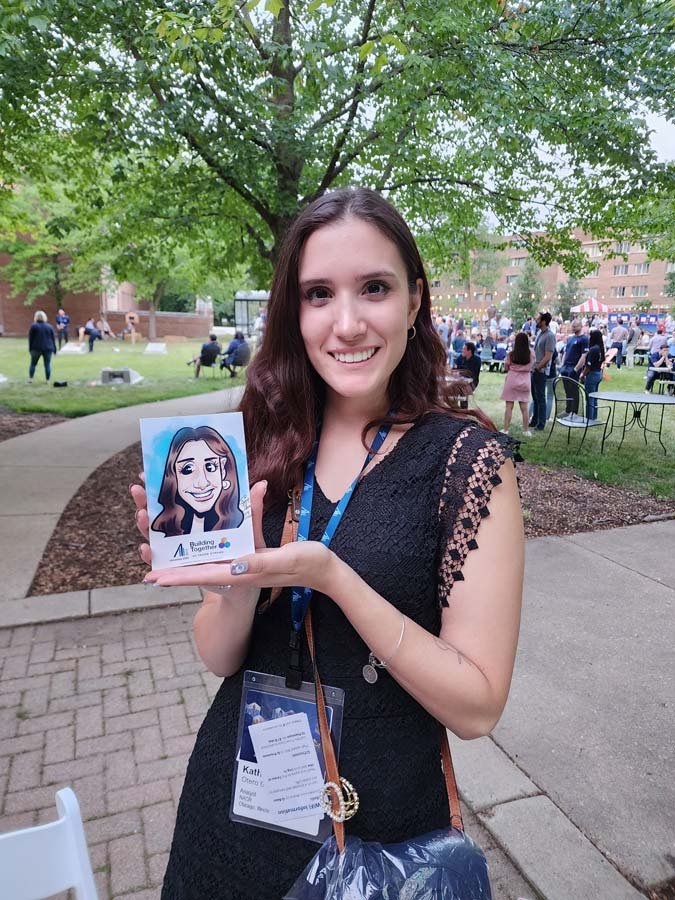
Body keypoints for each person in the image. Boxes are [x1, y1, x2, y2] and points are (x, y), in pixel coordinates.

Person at [131, 188, 523, 899]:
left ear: (413, 300)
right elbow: (219, 656)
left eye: (374, 288)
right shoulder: (260, 441)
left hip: (380, 837)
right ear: (294, 311)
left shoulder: (464, 464)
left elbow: (477, 707)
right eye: (318, 294)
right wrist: (230, 585)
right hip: (234, 814)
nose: (346, 323)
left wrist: (332, 576)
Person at [151, 426, 244, 536]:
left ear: (223, 469)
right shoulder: (162, 531)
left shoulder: (240, 526)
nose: (202, 483)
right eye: (188, 469)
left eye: (210, 466)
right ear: (173, 475)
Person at [500, 331, 534, 436]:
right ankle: (526, 430)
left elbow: (506, 366)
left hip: (512, 380)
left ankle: (506, 430)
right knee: (524, 408)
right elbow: (532, 365)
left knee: (509, 407)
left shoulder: (511, 354)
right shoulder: (531, 353)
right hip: (525, 381)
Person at [530, 311, 556, 431]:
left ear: (544, 322)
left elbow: (548, 356)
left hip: (540, 371)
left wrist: (539, 367)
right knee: (535, 397)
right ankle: (534, 420)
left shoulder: (550, 336)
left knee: (540, 398)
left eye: (538, 319)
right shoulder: (540, 333)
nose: (536, 320)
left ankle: (541, 424)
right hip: (534, 369)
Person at [559, 320, 589, 416]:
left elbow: (584, 356)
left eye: (575, 326)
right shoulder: (570, 338)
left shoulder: (584, 339)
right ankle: (568, 410)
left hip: (574, 367)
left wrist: (576, 369)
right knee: (567, 389)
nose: (573, 328)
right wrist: (562, 365)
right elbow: (565, 352)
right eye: (572, 326)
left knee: (574, 390)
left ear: (580, 326)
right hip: (565, 367)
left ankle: (574, 412)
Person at [579, 329, 605, 420]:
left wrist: (583, 375)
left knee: (589, 399)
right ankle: (594, 418)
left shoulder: (593, 349)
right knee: (594, 398)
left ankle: (589, 419)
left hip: (592, 374)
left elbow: (588, 366)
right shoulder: (601, 348)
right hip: (598, 373)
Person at [27, 310, 57, 383]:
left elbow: (30, 338)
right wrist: (54, 349)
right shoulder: (49, 326)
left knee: (33, 364)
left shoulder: (33, 326)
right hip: (48, 348)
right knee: (47, 364)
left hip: (36, 348)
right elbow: (53, 339)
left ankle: (31, 379)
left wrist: (30, 349)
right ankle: (47, 380)